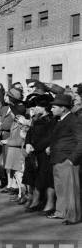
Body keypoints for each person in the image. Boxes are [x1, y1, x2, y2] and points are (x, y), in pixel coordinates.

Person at [46, 94, 82, 225]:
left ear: (63, 108)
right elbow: (62, 138)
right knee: (60, 188)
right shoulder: (61, 120)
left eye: (54, 107)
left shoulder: (74, 120)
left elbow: (81, 142)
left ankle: (73, 216)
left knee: (70, 190)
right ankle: (61, 212)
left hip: (67, 160)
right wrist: (51, 147)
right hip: (58, 158)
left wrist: (72, 160)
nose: (51, 109)